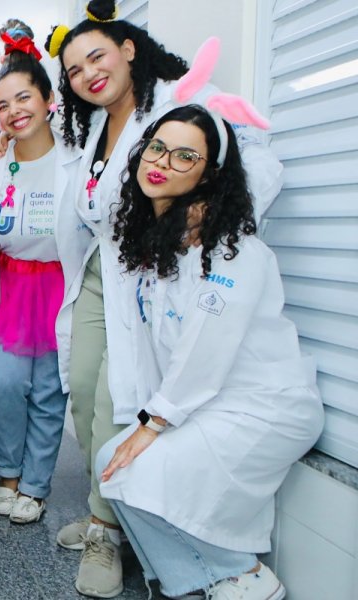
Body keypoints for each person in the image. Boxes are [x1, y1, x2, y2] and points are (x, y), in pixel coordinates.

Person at [50, 2, 283, 595]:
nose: (88, 75)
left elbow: (248, 159)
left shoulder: (179, 102)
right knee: (81, 388)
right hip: (100, 272)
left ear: (129, 49)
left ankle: (106, 529)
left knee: (115, 401)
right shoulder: (93, 129)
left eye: (96, 56)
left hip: (146, 277)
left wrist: (209, 216)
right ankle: (110, 506)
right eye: (74, 70)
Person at [96, 104, 322, 600]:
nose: (162, 162)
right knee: (110, 460)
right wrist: (147, 421)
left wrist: (154, 423)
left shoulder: (232, 250)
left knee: (136, 468)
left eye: (184, 156)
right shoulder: (160, 243)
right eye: (157, 148)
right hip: (207, 401)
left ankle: (241, 576)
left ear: (208, 175)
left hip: (264, 405)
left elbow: (206, 348)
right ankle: (199, 582)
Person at [0, 30, 81, 526]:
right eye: (2, 104)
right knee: (3, 383)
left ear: (48, 100)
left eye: (23, 97)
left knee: (48, 390)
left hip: (60, 286)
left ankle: (35, 486)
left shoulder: (77, 161)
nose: (15, 110)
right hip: (9, 287)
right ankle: (8, 475)